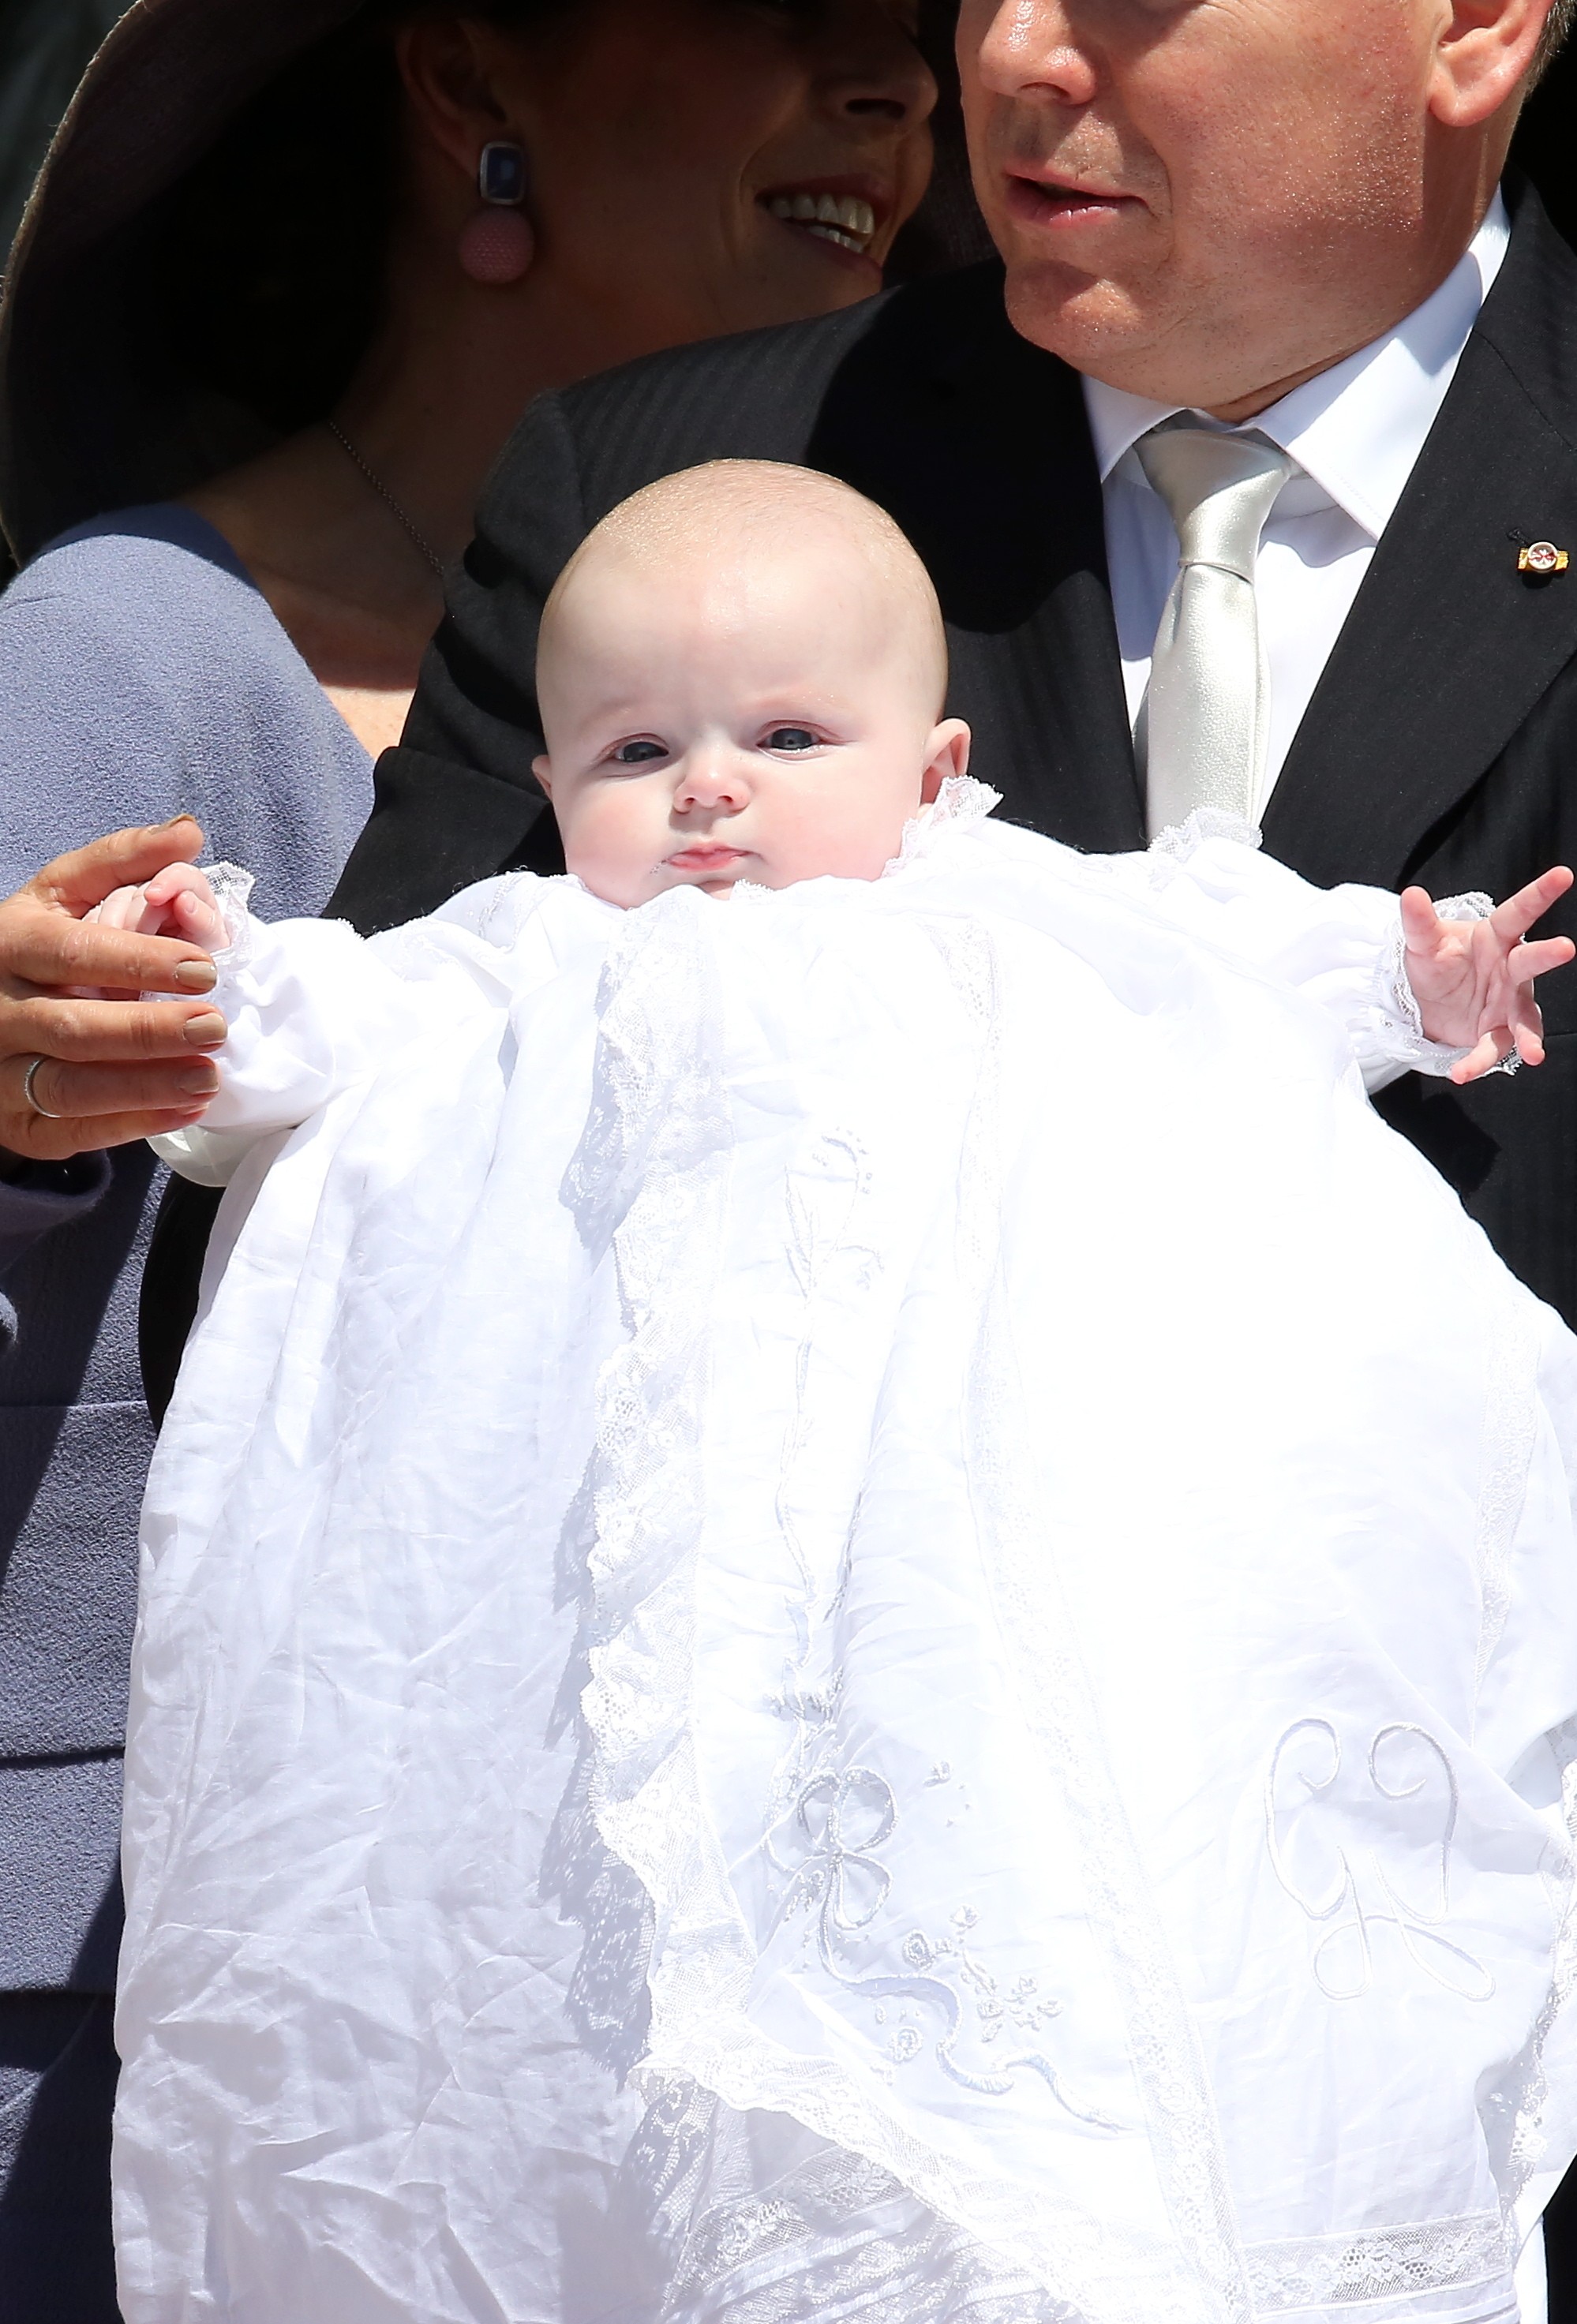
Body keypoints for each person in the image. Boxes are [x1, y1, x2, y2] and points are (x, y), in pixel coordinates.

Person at [97, 463, 1577, 2322]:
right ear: (549, 791)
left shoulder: (1027, 913)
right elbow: (300, 1027)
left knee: (994, 1936)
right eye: (635, 751)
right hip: (574, 1619)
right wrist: (192, 976)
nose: (709, 787)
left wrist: (1411, 973)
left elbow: (1241, 961)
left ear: (936, 765)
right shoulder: (511, 958)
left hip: (931, 1586)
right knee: (553, 2014)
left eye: (789, 735)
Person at [0, 1, 938, 2308]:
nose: (898, 85)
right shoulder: (131, 651)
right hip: (145, 1974)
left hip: (635, 1990)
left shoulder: (895, 684)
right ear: (464, 85)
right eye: (788, 13)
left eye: (914, 30)